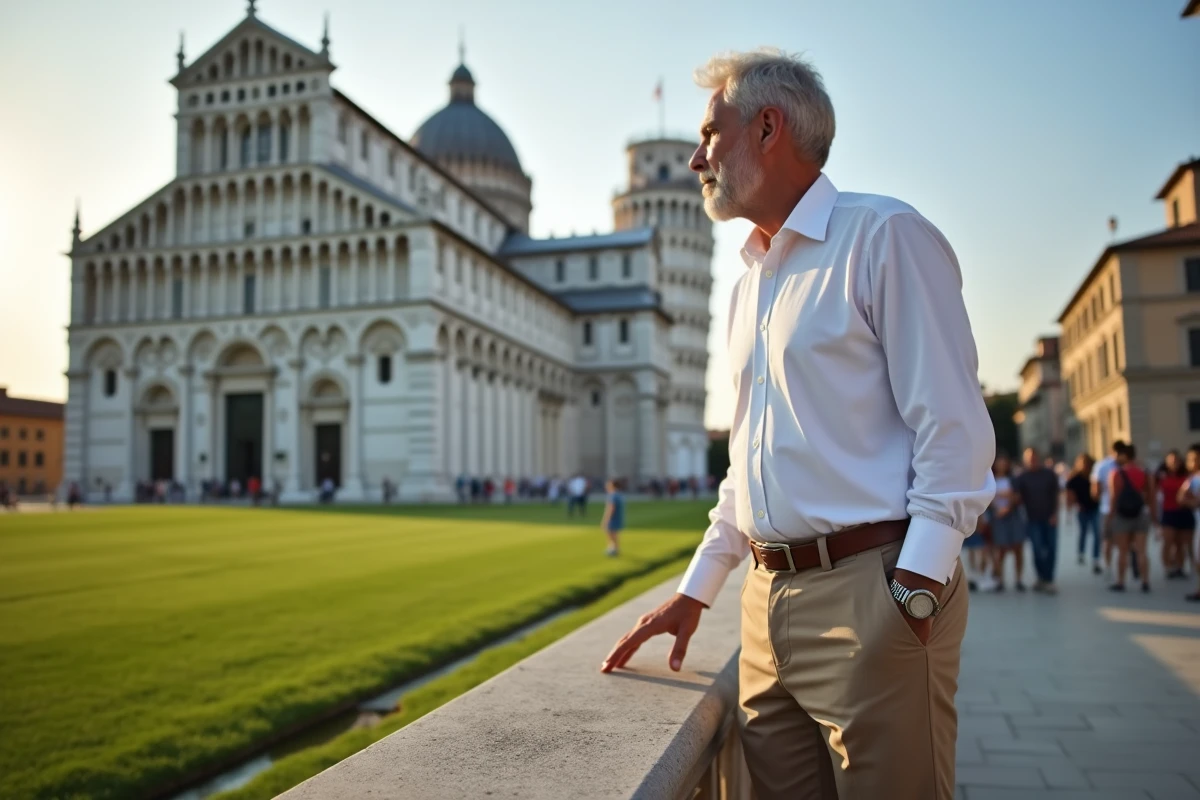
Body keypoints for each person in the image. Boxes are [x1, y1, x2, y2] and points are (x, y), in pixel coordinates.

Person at [601, 49, 995, 799]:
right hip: (763, 602)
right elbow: (748, 464)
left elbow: (956, 430)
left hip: (871, 589)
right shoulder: (750, 283)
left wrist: (912, 591)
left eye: (711, 134)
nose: (695, 158)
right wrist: (698, 590)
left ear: (769, 127)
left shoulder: (884, 236)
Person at [1013, 447, 1062, 594]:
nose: (1032, 460)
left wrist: (1055, 514)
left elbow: (1056, 495)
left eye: (1033, 457)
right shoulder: (1022, 477)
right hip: (1032, 519)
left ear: (1038, 458)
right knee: (1037, 550)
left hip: (1049, 518)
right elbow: (1016, 498)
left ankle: (1049, 579)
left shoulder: (1049, 474)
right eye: (1029, 458)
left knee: (1051, 549)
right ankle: (1041, 577)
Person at [1108, 442, 1154, 592]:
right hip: (1140, 514)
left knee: (1122, 551)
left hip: (1122, 516)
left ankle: (1121, 581)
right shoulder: (1144, 472)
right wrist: (1154, 515)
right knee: (1141, 551)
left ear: (1124, 456)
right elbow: (1150, 496)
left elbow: (1114, 497)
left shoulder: (1116, 473)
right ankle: (1145, 581)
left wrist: (1110, 517)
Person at [989, 455, 1025, 591]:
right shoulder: (990, 480)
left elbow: (1016, 496)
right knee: (1000, 549)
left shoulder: (1013, 479)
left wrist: (1007, 506)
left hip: (1013, 516)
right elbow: (987, 498)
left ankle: (1019, 579)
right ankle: (1000, 580)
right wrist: (999, 504)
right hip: (997, 518)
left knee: (1018, 548)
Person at [1156, 450, 1193, 580]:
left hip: (1184, 511)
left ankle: (1180, 567)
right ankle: (1167, 567)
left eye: (1176, 460)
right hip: (1169, 512)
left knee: (1181, 543)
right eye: (1171, 460)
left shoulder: (1187, 476)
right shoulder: (1161, 476)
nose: (1173, 463)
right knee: (1168, 542)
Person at [1092, 440, 1125, 578]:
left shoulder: (1102, 465)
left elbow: (1095, 490)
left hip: (1108, 508)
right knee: (1115, 540)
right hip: (1121, 508)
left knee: (1109, 540)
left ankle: (1109, 567)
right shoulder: (1125, 466)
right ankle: (1116, 567)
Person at [1065, 453, 1101, 573]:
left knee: (1097, 533)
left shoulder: (1094, 476)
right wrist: (1072, 507)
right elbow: (1069, 494)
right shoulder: (1075, 478)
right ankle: (1081, 553)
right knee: (1083, 532)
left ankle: (1096, 558)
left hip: (1095, 508)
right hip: (1082, 509)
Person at [600, 478, 626, 557]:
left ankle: (612, 549)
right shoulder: (619, 495)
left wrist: (606, 519)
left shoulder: (612, 495)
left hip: (613, 518)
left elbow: (611, 508)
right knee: (614, 534)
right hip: (618, 517)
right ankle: (614, 548)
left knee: (610, 533)